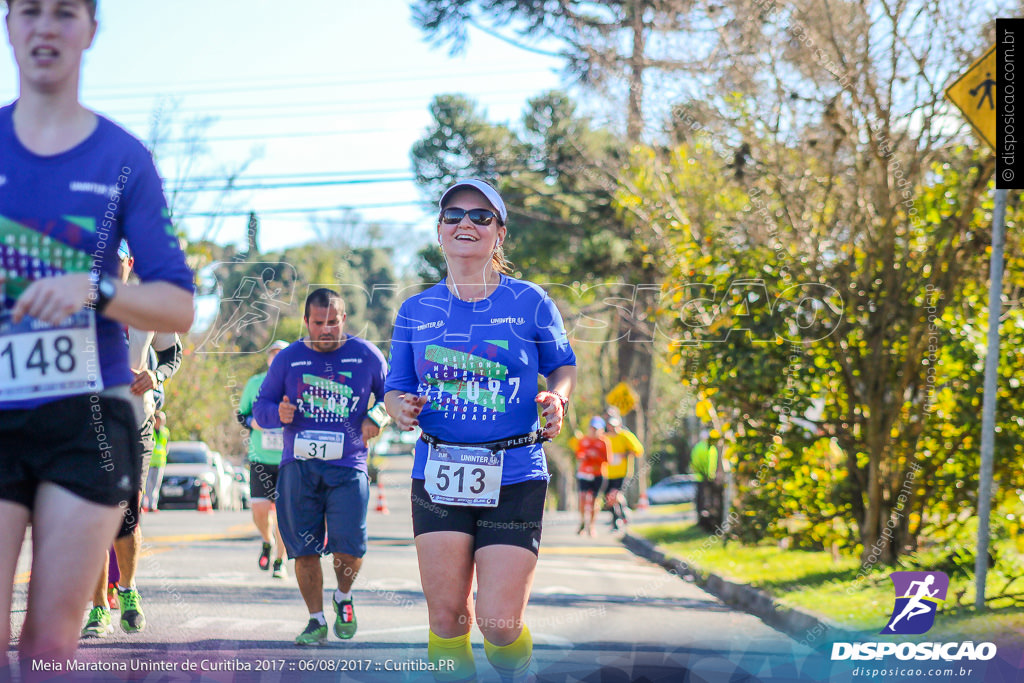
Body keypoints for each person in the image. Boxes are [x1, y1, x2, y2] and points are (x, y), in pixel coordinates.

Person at [0, 0, 194, 675]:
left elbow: (177, 304)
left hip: (88, 415)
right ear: (7, 23)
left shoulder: (121, 157)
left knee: (50, 647)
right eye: (29, 10)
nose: (45, 26)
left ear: (91, 29)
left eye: (64, 12)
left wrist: (98, 290)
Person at [385, 179, 577, 683]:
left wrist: (556, 397)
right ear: (440, 229)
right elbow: (396, 386)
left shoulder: (531, 302)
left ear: (499, 233)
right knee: (447, 618)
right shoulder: (415, 310)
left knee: (498, 625)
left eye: (480, 216)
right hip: (438, 472)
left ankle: (522, 670)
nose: (465, 223)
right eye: (453, 214)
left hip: (514, 471)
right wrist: (397, 409)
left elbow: (562, 366)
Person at [253, 290, 389, 645]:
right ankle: (315, 620)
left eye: (333, 322)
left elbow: (394, 395)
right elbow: (261, 405)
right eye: (319, 323)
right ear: (306, 322)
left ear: (344, 319)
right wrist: (275, 414)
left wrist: (377, 415)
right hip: (299, 466)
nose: (326, 330)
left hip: (349, 466)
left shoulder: (366, 355)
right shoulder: (289, 359)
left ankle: (343, 597)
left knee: (350, 546)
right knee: (304, 549)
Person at [81, 244, 183, 639]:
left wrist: (156, 377)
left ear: (130, 263)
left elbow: (171, 354)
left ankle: (127, 589)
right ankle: (97, 608)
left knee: (126, 517)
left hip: (133, 423)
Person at [237, 339, 289, 579]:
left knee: (284, 515)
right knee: (259, 510)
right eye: (273, 354)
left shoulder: (296, 383)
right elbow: (241, 414)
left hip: (288, 459)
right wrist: (252, 423)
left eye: (282, 354)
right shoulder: (256, 383)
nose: (276, 358)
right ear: (268, 359)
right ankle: (266, 541)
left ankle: (280, 561)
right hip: (260, 458)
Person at [603, 413, 643, 530]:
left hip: (623, 472)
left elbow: (639, 450)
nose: (613, 428)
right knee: (609, 498)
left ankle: (617, 519)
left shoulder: (626, 436)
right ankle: (621, 514)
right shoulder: (605, 437)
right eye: (611, 425)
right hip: (608, 473)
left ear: (619, 424)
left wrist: (625, 453)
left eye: (615, 425)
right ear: (608, 426)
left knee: (615, 495)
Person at [575, 417, 611, 537]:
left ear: (601, 429)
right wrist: (584, 455)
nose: (594, 431)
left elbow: (608, 460)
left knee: (594, 501)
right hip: (584, 473)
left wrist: (596, 456)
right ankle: (582, 522)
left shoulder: (604, 442)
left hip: (598, 474)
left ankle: (591, 525)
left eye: (596, 429)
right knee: (582, 498)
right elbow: (578, 455)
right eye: (592, 428)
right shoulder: (583, 440)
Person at [144, 411, 169, 512]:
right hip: (149, 462)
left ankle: (152, 505)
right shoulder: (150, 430)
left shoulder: (165, 432)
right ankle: (144, 504)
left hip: (160, 462)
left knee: (156, 485)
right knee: (147, 484)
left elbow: (166, 446)